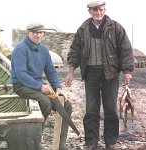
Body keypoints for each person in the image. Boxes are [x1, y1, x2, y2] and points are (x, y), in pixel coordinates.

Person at [64, 0, 134, 150]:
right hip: (91, 74)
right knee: (91, 109)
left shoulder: (115, 27)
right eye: (95, 10)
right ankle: (91, 142)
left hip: (110, 74)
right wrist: (70, 72)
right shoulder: (83, 29)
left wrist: (127, 71)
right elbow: (75, 51)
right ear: (89, 11)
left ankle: (110, 142)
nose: (98, 13)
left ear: (104, 10)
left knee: (110, 108)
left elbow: (126, 49)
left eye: (101, 9)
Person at [11, 22, 72, 150]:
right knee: (45, 103)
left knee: (66, 105)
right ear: (28, 33)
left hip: (37, 85)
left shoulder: (43, 49)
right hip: (21, 85)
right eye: (35, 33)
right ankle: (36, 143)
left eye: (41, 33)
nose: (38, 35)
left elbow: (50, 71)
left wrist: (58, 88)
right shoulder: (20, 49)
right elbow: (20, 74)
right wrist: (40, 87)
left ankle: (60, 144)